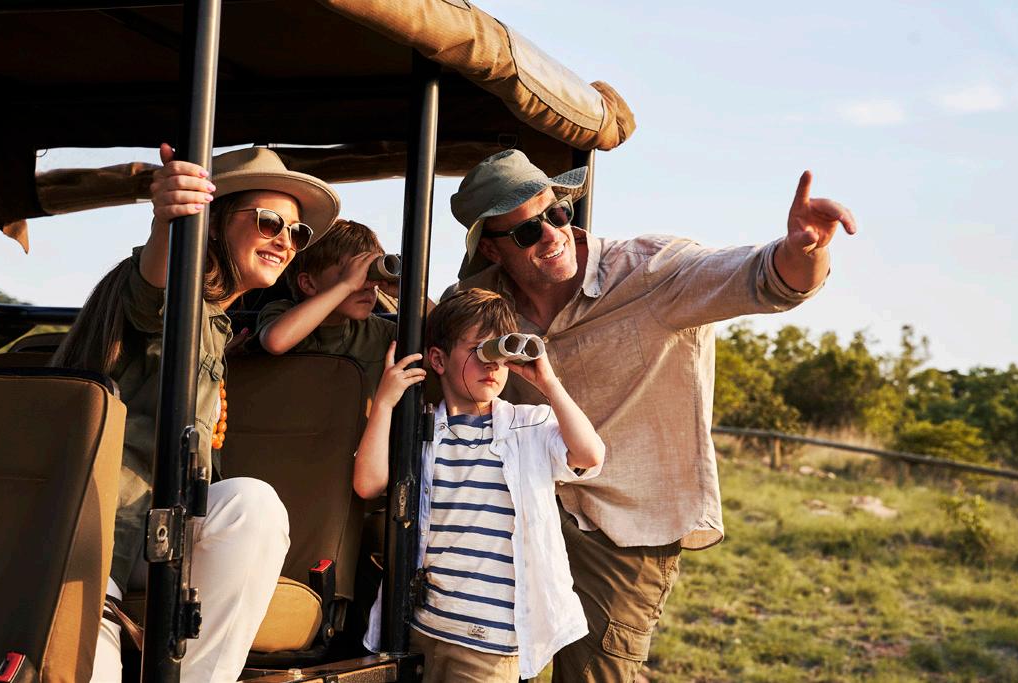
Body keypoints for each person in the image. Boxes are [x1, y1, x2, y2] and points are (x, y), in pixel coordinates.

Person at [445, 149, 858, 682]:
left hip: (622, 532)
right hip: (517, 516)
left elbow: (767, 278)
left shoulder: (652, 269)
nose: (551, 234)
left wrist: (806, 250)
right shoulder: (481, 305)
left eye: (556, 213)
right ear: (492, 249)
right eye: (527, 231)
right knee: (483, 666)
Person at [52, 143, 340, 682]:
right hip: (98, 536)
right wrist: (171, 219)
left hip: (157, 531)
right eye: (269, 222)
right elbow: (156, 286)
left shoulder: (217, 324)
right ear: (212, 224)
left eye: (297, 232)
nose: (285, 240)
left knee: (251, 505)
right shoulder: (177, 299)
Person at [355, 288, 606, 681]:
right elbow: (368, 484)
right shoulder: (421, 428)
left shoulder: (528, 426)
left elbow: (589, 455)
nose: (492, 364)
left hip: (491, 644)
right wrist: (385, 403)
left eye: (499, 352)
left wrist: (549, 383)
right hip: (423, 629)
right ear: (438, 359)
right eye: (478, 350)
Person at [255, 218, 396, 395]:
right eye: (353, 272)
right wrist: (347, 285)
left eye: (370, 274)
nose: (367, 285)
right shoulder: (281, 312)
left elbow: (431, 353)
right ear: (308, 284)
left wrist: (411, 289)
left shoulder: (377, 331)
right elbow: (276, 342)